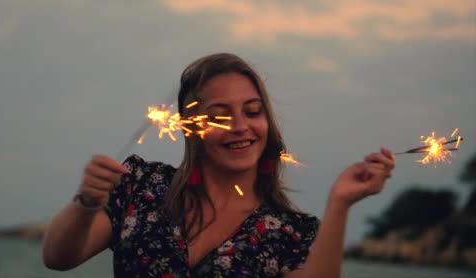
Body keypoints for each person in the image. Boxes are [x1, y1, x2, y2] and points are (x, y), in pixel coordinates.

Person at [43, 53, 395, 277]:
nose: (240, 126)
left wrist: (340, 204)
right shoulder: (140, 185)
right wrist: (87, 202)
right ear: (192, 126)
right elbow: (58, 257)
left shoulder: (290, 233)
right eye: (220, 115)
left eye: (253, 112)